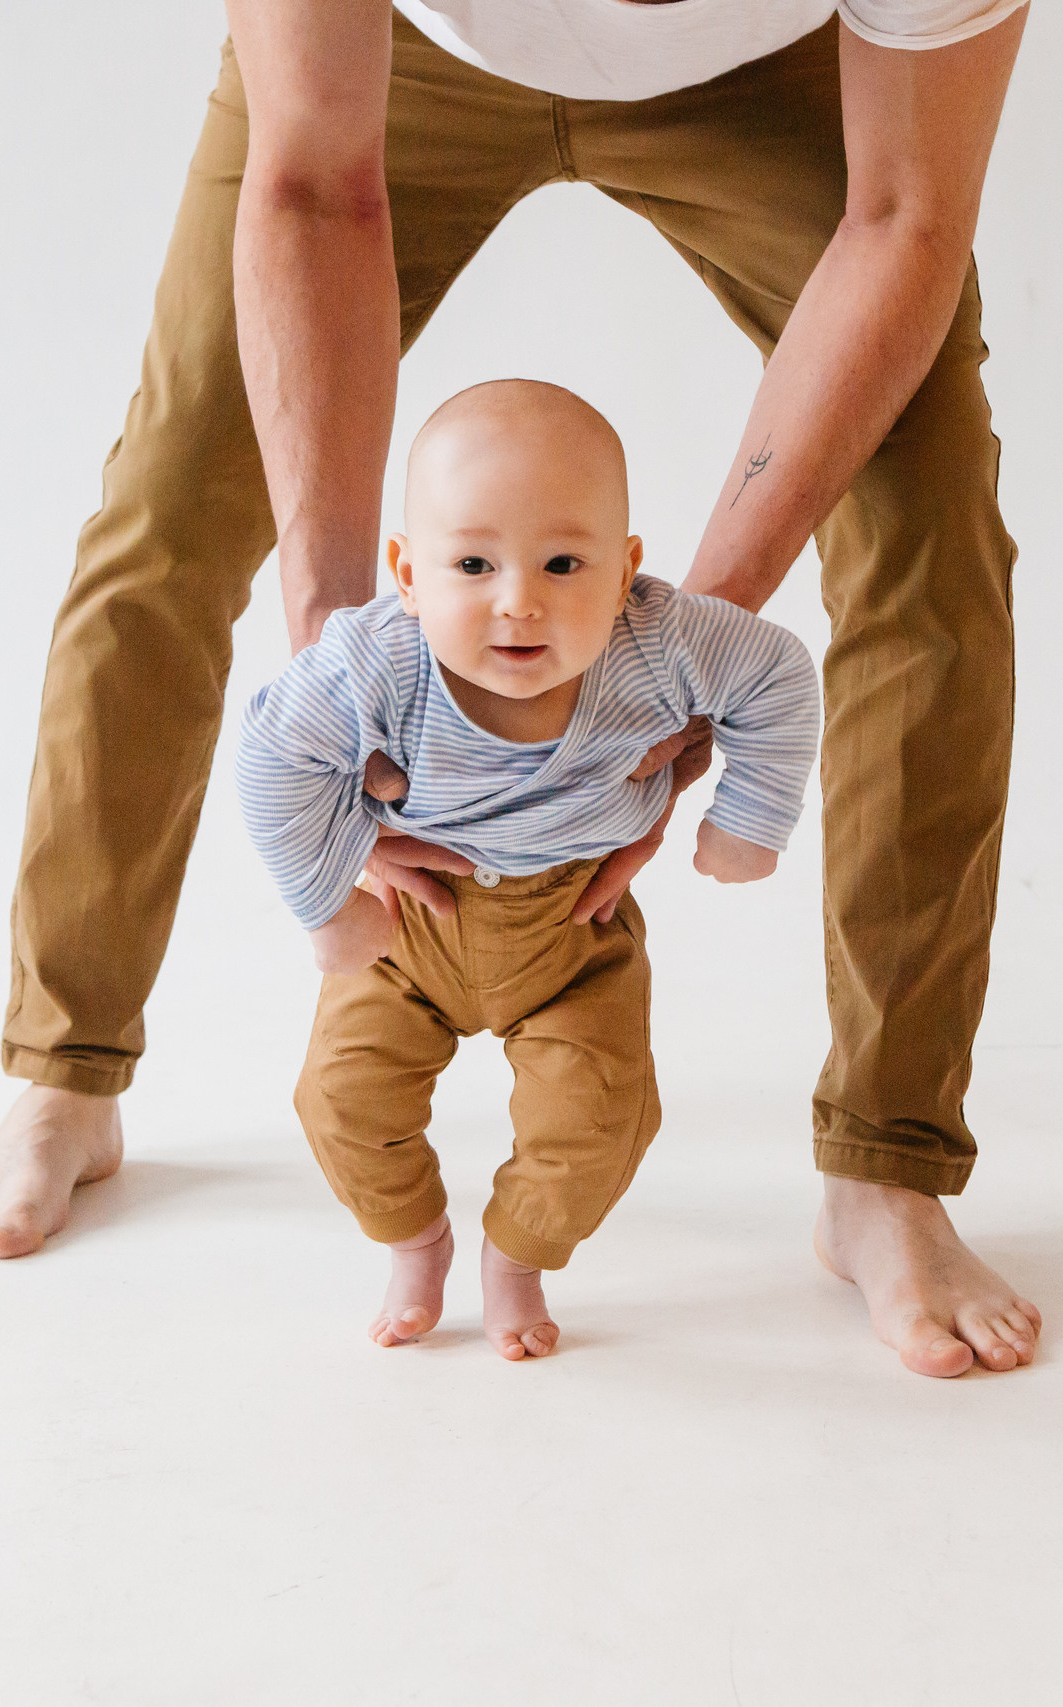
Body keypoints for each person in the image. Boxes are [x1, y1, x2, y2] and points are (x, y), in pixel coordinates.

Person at [0, 0, 1046, 1379]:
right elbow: (309, 180)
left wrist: (672, 662)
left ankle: (888, 1163)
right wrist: (343, 665)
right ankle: (63, 1071)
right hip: (395, 59)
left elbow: (904, 220)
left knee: (930, 548)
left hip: (773, 81)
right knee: (169, 510)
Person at [240, 379, 818, 1359]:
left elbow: (776, 673)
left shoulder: (660, 642)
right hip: (408, 926)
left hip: (573, 933)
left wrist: (749, 819)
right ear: (408, 572)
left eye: (563, 562)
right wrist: (325, 900)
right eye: (471, 563)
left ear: (625, 567)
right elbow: (271, 753)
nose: (519, 601)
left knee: (598, 1119)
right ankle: (414, 1241)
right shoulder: (379, 661)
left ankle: (518, 1257)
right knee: (339, 1100)